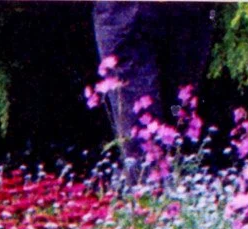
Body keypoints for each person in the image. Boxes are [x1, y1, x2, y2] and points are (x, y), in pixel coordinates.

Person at [92, 2, 214, 170]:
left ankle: (171, 189)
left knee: (178, 126)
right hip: (129, 15)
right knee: (144, 135)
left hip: (184, 13)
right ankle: (155, 191)